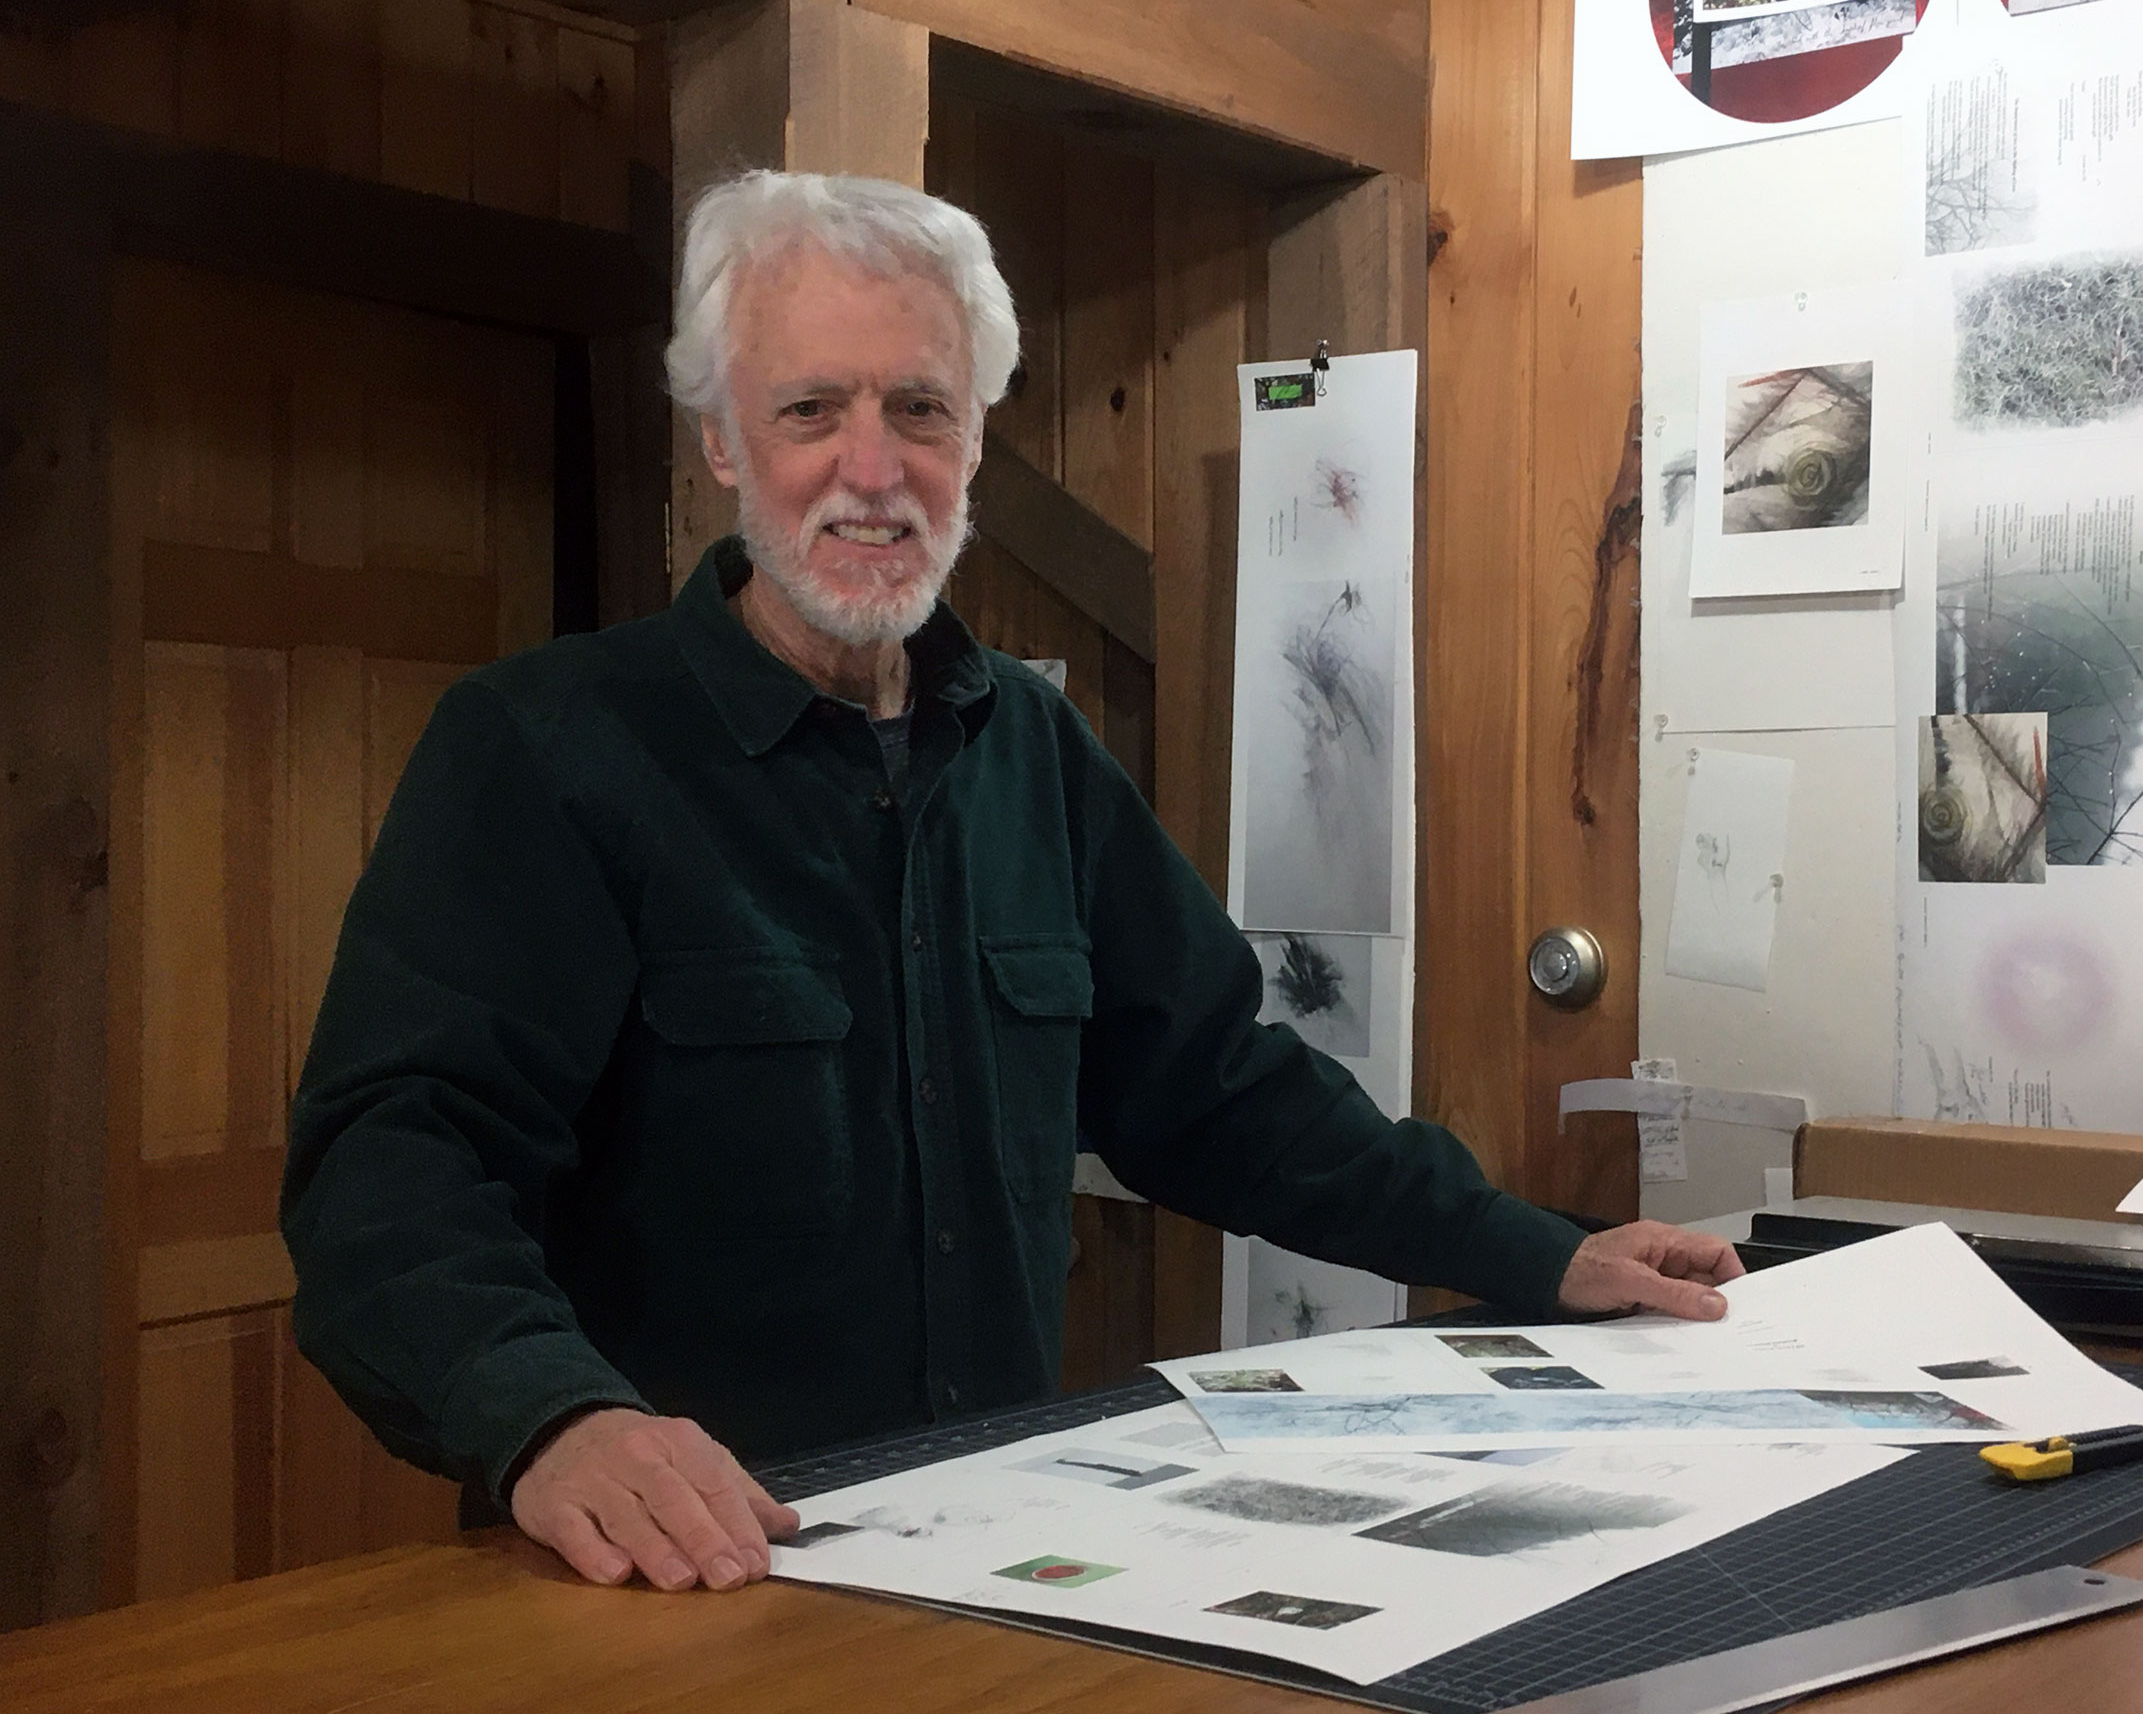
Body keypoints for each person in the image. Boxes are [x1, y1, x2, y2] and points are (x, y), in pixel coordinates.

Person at [281, 170, 1743, 1602]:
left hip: (996, 1559)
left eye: (918, 407)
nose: (872, 467)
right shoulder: (548, 750)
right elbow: (388, 1166)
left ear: (975, 436)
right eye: (809, 410)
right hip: (683, 1583)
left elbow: (1222, 1091)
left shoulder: (1028, 749)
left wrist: (1538, 1254)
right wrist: (546, 1416)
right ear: (722, 442)